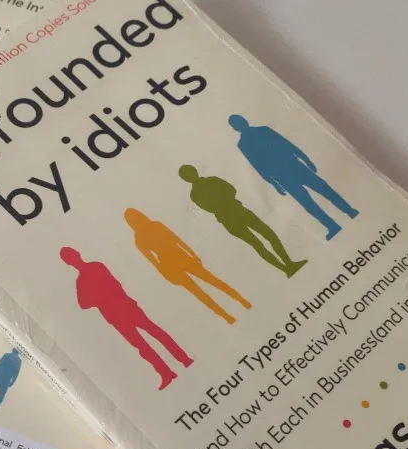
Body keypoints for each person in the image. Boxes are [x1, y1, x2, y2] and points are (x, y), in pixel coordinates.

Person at [59, 246, 192, 390]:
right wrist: (100, 297)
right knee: (142, 345)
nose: (73, 260)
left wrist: (98, 297)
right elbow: (83, 304)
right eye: (69, 259)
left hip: (125, 306)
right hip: (115, 316)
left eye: (71, 256)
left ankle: (183, 359)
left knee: (155, 332)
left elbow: (113, 285)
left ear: (77, 254)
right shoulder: (81, 281)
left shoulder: (95, 267)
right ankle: (166, 372)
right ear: (69, 262)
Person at [228, 114, 358, 240]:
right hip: (285, 173)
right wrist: (274, 182)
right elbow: (258, 165)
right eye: (238, 123)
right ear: (237, 127)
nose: (241, 123)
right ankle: (336, 222)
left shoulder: (260, 132)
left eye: (240, 121)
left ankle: (345, 214)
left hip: (290, 168)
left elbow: (285, 145)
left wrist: (305, 159)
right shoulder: (248, 141)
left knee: (320, 191)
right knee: (312, 199)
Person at [123, 208, 251, 324]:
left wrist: (191, 254)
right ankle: (230, 310)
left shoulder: (147, 232)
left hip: (174, 260)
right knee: (206, 286)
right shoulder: (146, 233)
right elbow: (161, 254)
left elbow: (169, 245)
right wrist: (188, 256)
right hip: (173, 261)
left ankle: (234, 307)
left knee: (204, 288)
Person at [177, 165, 306, 278]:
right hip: (238, 211)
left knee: (258, 243)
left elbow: (212, 206)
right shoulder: (211, 181)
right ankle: (288, 265)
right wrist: (225, 200)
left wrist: (220, 204)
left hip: (228, 220)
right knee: (266, 235)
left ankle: (286, 268)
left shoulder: (195, 194)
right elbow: (230, 190)